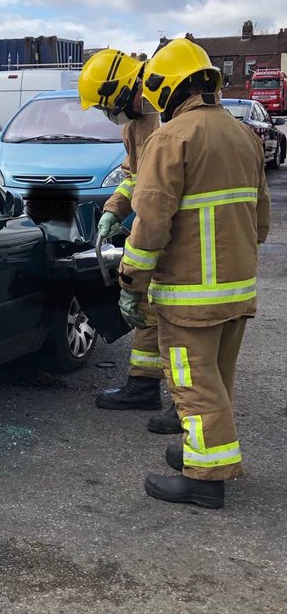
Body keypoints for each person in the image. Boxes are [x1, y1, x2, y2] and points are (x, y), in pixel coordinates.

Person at [117, 38, 270, 508]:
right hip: (236, 289)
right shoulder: (244, 134)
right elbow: (261, 221)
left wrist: (130, 281)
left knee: (192, 382)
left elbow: (152, 224)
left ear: (166, 89)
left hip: (190, 296)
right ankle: (198, 450)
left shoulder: (171, 138)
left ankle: (205, 478)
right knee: (219, 378)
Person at [77, 49, 178, 424]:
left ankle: (185, 404)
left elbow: (162, 188)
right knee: (149, 311)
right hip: (152, 225)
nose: (111, 114)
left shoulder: (169, 117)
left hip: (171, 229)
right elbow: (133, 177)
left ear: (129, 86)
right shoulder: (132, 126)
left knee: (173, 319)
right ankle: (143, 385)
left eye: (111, 104)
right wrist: (112, 211)